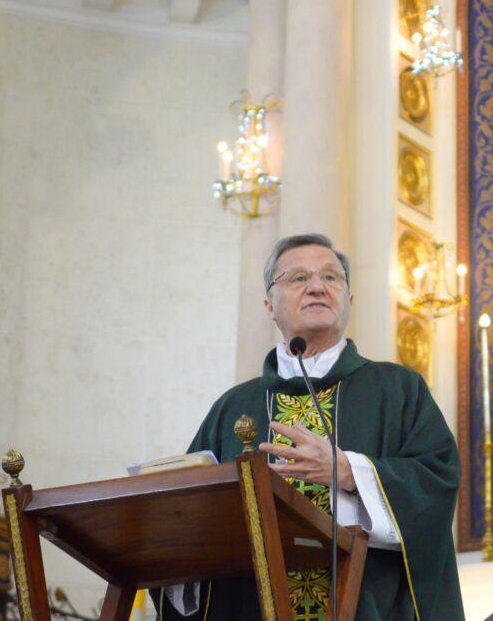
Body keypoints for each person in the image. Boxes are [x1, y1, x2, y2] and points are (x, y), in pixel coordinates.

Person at [159, 233, 464, 621]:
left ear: (349, 301)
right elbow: (189, 515)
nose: (317, 287)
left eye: (331, 278)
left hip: (366, 606)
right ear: (269, 305)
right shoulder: (233, 406)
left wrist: (350, 471)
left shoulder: (398, 389)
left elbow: (437, 481)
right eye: (298, 277)